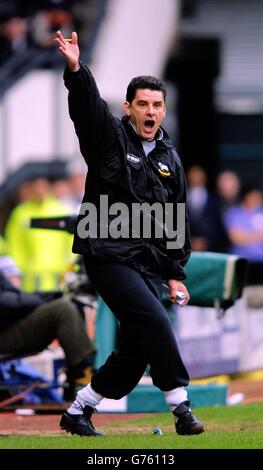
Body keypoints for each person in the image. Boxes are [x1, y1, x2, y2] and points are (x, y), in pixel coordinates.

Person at [55, 30, 204, 436]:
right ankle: (181, 409)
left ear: (164, 110)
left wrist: (175, 273)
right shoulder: (108, 140)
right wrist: (75, 70)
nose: (150, 110)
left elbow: (177, 221)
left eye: (157, 104)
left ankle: (78, 411)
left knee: (138, 347)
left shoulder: (170, 158)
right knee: (156, 322)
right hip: (106, 253)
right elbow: (86, 110)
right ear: (128, 108)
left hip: (147, 262)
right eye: (143, 104)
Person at [0, 270, 96, 401]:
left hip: (8, 326)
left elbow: (13, 296)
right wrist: (41, 299)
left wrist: (47, 296)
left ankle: (82, 372)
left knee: (67, 303)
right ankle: (82, 375)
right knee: (62, 309)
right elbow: (6, 301)